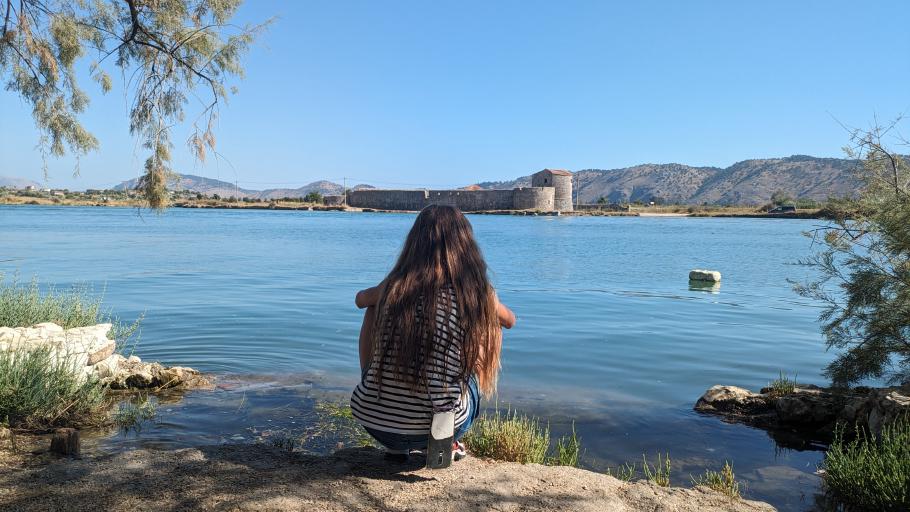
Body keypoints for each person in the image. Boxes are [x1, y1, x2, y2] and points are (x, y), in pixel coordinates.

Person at [351, 205, 516, 462]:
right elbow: (510, 321)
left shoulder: (395, 286)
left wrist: (381, 293)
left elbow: (361, 300)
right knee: (491, 321)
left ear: (414, 244)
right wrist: (486, 301)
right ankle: (449, 436)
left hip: (375, 422)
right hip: (442, 426)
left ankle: (373, 387)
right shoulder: (474, 291)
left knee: (373, 306)